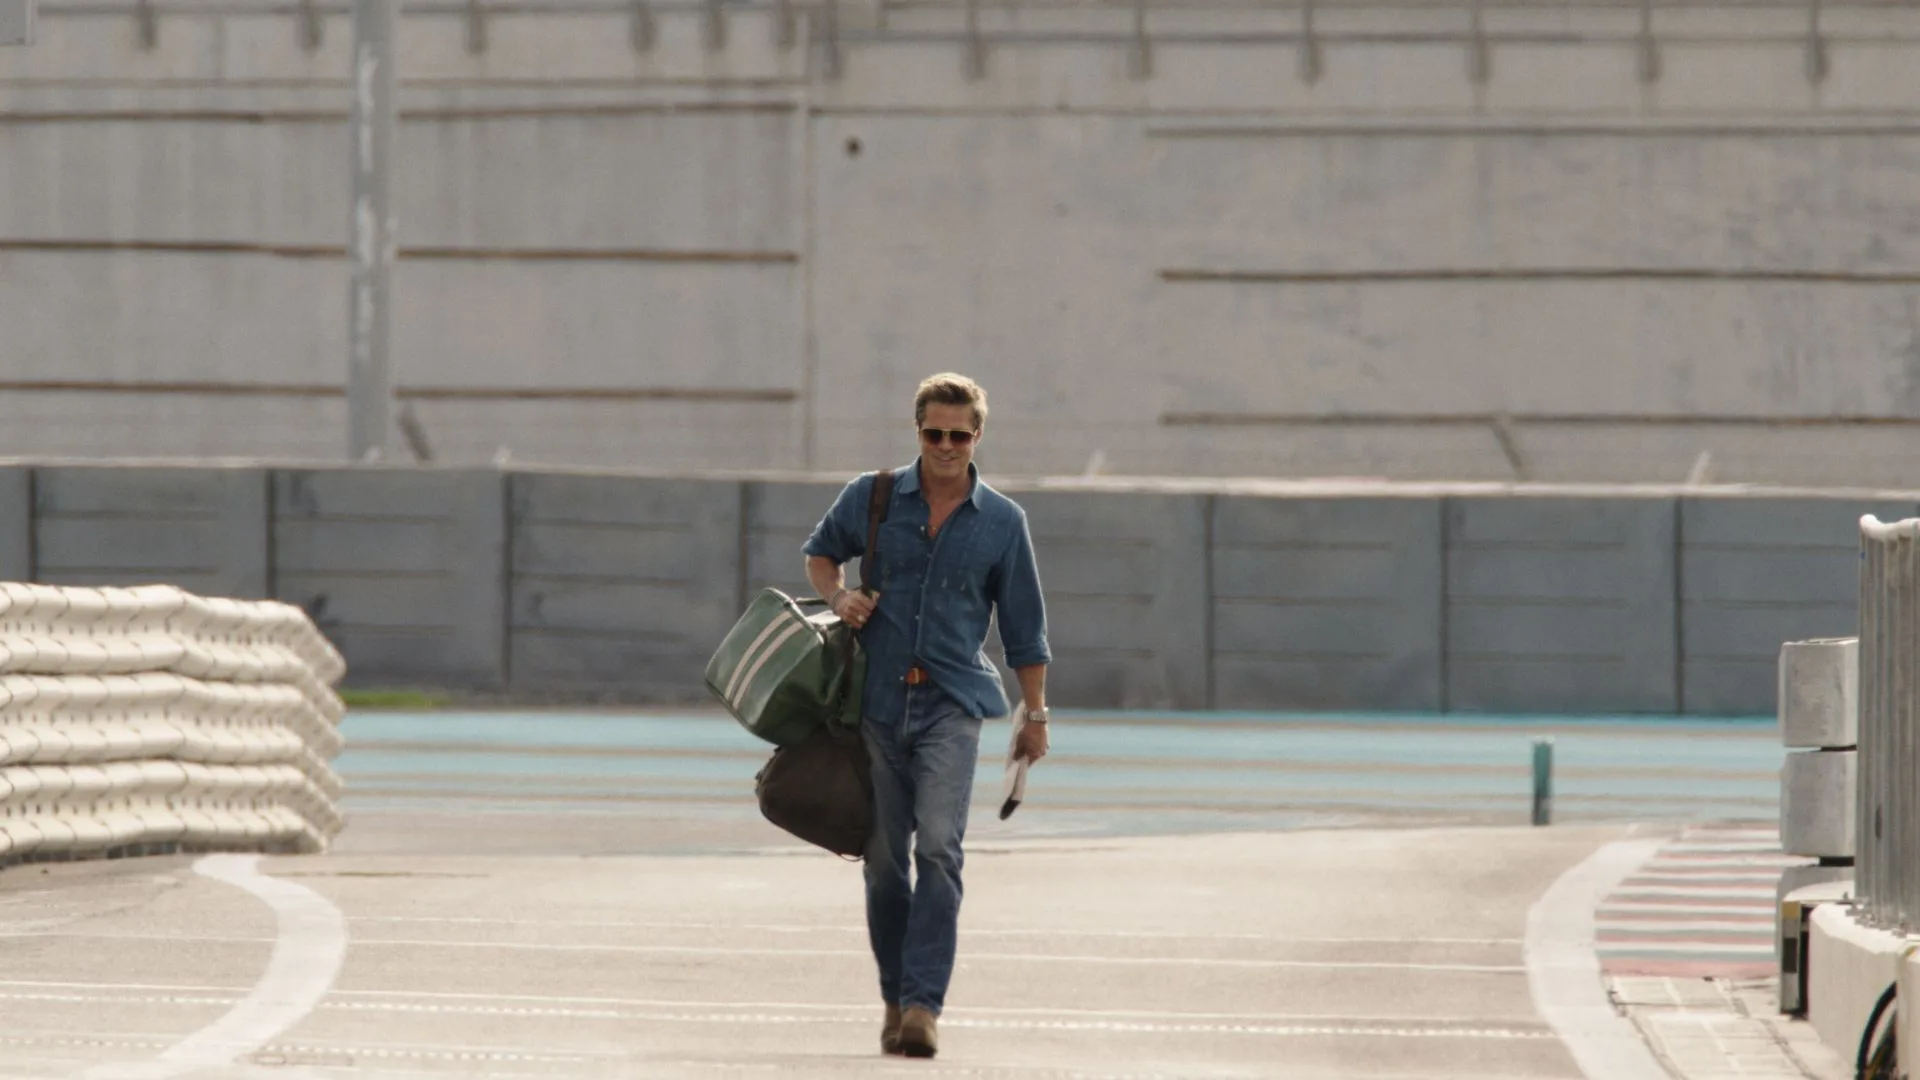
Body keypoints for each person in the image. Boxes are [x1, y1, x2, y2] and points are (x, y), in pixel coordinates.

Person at [802, 372, 1051, 1060]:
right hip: (875, 704)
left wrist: (1036, 714)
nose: (946, 446)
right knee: (885, 863)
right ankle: (894, 994)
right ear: (918, 431)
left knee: (939, 848)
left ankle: (922, 1008)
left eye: (959, 436)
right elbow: (820, 556)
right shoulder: (873, 495)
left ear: (978, 436)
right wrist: (840, 597)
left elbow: (1025, 630)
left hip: (953, 706)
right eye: (934, 433)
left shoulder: (1003, 522)